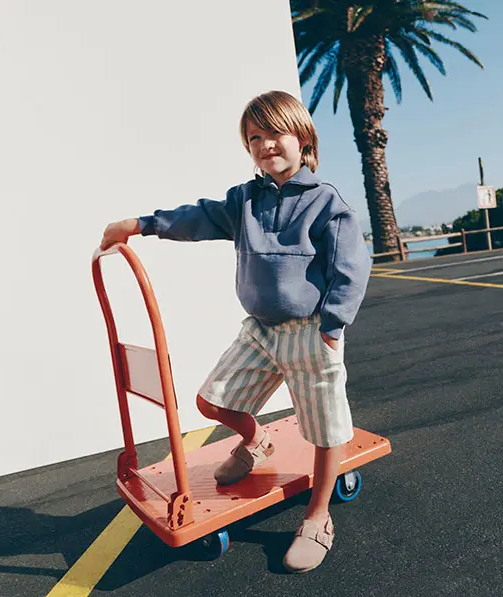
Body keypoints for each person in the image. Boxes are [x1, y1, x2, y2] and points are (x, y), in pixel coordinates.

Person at [99, 90, 371, 573]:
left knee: (327, 431)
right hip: (260, 332)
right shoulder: (244, 201)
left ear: (303, 138)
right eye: (254, 137)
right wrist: (140, 224)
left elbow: (351, 270)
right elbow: (196, 217)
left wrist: (331, 328)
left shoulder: (329, 204)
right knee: (212, 400)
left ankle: (317, 516)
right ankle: (255, 441)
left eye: (275, 133)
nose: (266, 145)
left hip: (311, 331)